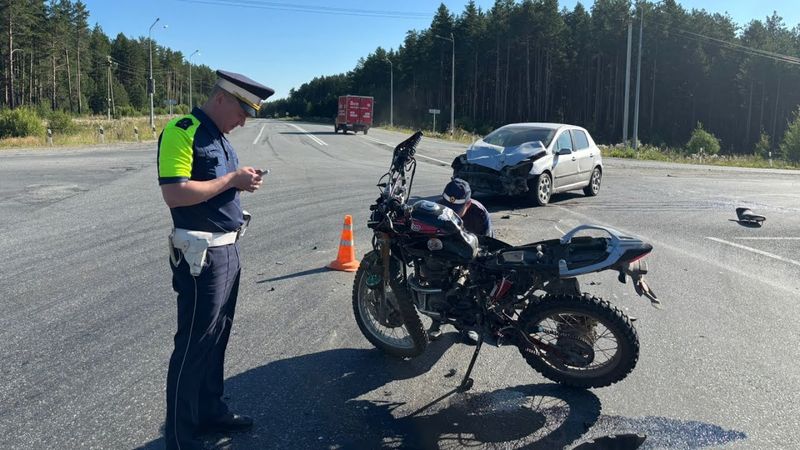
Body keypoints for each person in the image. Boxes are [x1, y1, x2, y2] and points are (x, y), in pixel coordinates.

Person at [157, 70, 274, 450]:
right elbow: (175, 193)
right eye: (242, 111)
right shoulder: (182, 129)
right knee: (193, 345)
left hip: (227, 250)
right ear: (222, 98)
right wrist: (232, 181)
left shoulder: (221, 139)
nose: (243, 120)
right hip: (199, 256)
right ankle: (179, 434)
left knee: (216, 340)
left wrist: (244, 180)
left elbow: (218, 186)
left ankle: (210, 410)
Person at [429, 178, 493, 342]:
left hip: (469, 257)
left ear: (468, 204)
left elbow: (487, 248)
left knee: (472, 288)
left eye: (456, 209)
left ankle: (467, 325)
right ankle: (436, 319)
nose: (451, 213)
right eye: (447, 207)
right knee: (434, 276)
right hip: (444, 256)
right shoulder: (436, 211)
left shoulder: (480, 214)